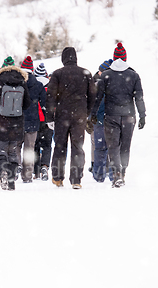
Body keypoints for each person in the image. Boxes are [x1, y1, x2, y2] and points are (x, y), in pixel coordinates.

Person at [90, 43, 147, 188]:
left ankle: (116, 175)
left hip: (111, 116)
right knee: (125, 146)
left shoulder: (107, 75)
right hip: (129, 116)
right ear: (125, 58)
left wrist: (93, 114)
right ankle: (122, 172)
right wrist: (142, 115)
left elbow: (98, 97)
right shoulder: (134, 75)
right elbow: (139, 97)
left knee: (113, 146)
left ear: (114, 58)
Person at [46, 46, 97, 189]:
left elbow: (50, 97)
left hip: (62, 115)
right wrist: (86, 112)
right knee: (78, 147)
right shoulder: (86, 73)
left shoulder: (57, 74)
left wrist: (49, 117)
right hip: (79, 115)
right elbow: (93, 95)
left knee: (60, 146)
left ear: (63, 59)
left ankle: (57, 178)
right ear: (75, 58)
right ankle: (76, 180)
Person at [0, 57, 31, 191]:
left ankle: (3, 172)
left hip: (1, 123)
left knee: (1, 150)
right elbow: (27, 104)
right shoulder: (22, 82)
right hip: (17, 124)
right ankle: (11, 180)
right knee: (12, 151)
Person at [18, 56, 46, 183]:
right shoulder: (39, 85)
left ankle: (16, 168)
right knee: (29, 149)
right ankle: (27, 175)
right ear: (32, 69)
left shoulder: (16, 83)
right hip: (32, 121)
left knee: (16, 147)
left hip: (16, 121)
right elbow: (44, 103)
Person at [88, 59, 114, 183]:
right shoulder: (95, 82)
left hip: (101, 119)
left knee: (100, 147)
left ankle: (101, 172)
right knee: (101, 146)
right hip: (100, 119)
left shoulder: (99, 83)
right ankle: (99, 171)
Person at [33, 63, 52, 181]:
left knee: (35, 146)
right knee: (47, 145)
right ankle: (45, 166)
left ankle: (36, 172)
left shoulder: (33, 87)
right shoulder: (50, 87)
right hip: (47, 120)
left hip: (35, 120)